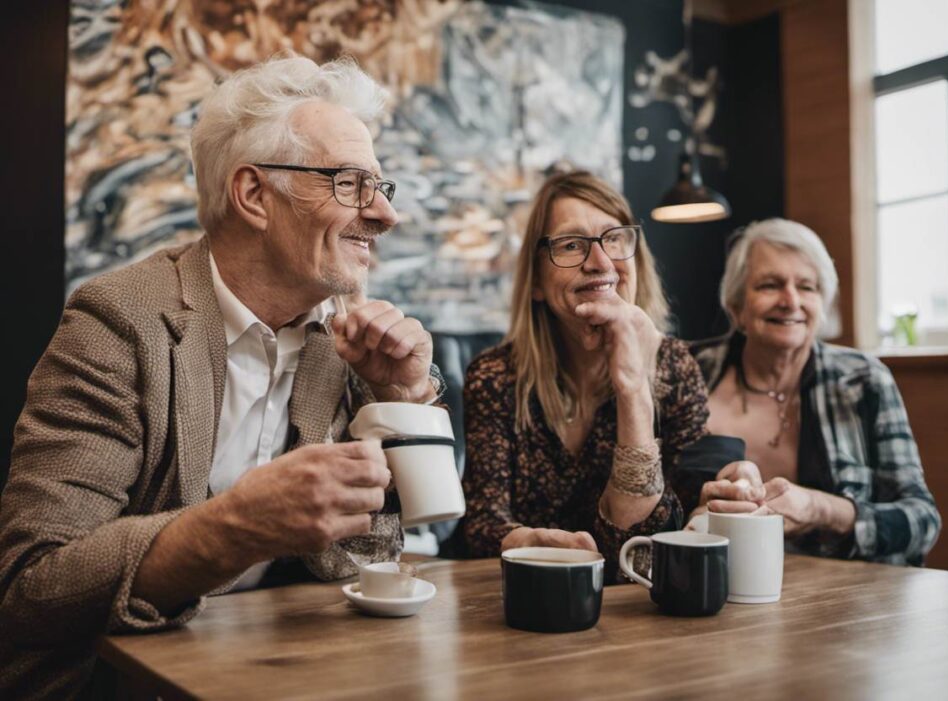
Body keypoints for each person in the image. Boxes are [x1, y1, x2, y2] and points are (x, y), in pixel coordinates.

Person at [0, 56, 443, 698]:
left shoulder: (346, 337)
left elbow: (368, 559)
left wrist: (403, 399)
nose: (384, 215)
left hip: (290, 670)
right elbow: (33, 586)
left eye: (381, 186)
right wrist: (235, 526)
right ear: (254, 195)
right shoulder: (120, 321)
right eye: (350, 184)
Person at [460, 171, 710, 580]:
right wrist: (531, 544)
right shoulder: (496, 376)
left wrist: (633, 390)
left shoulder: (677, 368)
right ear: (537, 282)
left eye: (614, 239)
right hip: (528, 599)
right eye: (572, 245)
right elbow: (482, 527)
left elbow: (647, 551)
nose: (600, 263)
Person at [685, 218, 941, 565]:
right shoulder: (687, 370)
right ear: (736, 306)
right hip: (717, 590)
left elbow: (923, 520)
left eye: (807, 287)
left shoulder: (865, 380)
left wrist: (821, 509)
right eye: (770, 285)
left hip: (845, 599)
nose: (791, 301)